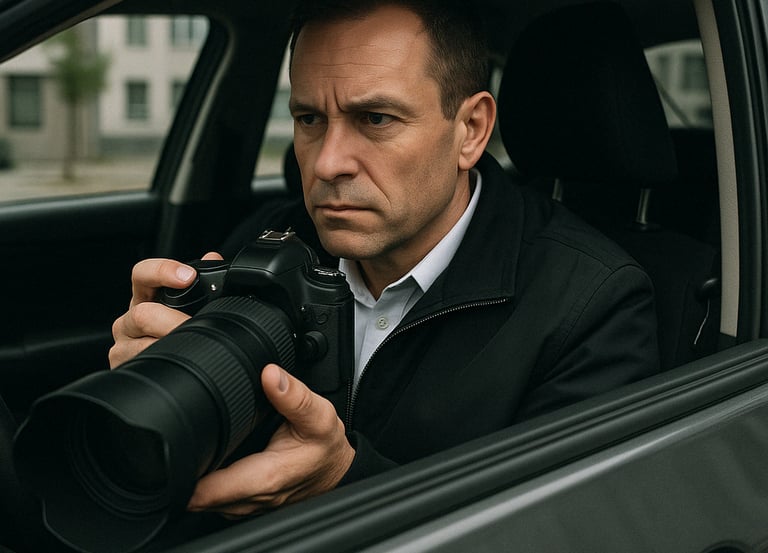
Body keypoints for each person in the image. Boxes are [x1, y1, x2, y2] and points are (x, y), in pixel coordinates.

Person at [109, 0, 659, 519]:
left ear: (470, 131)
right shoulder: (266, 242)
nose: (327, 163)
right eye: (308, 119)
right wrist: (161, 394)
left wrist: (344, 482)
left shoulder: (591, 305)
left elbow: (557, 533)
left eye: (375, 119)